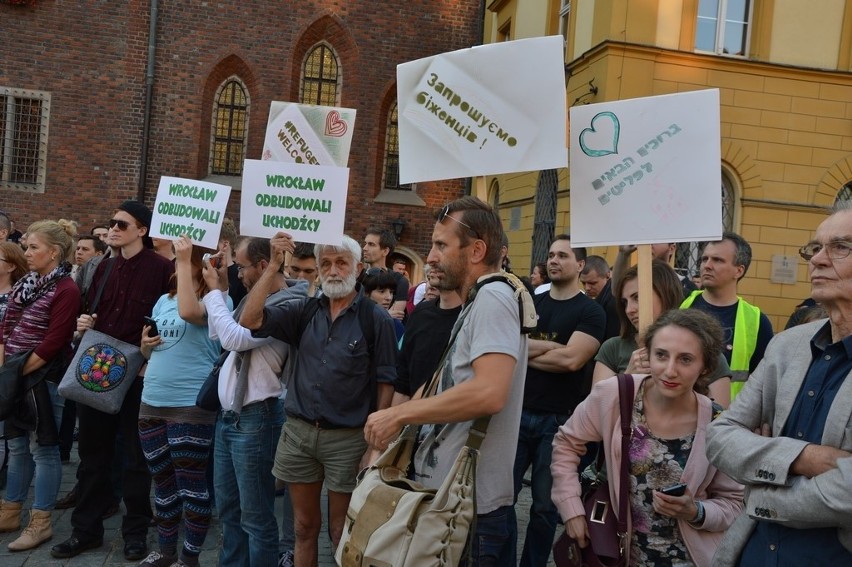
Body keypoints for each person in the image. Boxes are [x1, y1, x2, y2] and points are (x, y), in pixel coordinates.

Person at [365, 197, 529, 565]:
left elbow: (489, 392)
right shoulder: (478, 300)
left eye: (441, 245)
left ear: (477, 250)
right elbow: (449, 381)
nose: (432, 256)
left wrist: (400, 416)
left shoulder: (494, 297)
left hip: (471, 513)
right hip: (451, 502)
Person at [706, 205, 852, 565]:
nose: (817, 259)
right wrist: (801, 457)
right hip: (751, 551)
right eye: (814, 248)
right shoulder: (788, 346)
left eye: (840, 247)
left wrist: (762, 496)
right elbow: (720, 435)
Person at [240, 234, 398, 567]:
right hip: (298, 434)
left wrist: (375, 444)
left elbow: (386, 382)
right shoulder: (304, 310)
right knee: (303, 527)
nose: (333, 270)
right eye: (325, 263)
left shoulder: (375, 319)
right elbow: (250, 321)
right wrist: (272, 268)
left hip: (348, 439)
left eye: (341, 262)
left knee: (342, 531)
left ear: (357, 267)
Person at [551, 309, 744, 567]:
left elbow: (735, 503)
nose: (670, 370)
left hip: (692, 558)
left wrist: (696, 511)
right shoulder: (616, 395)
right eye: (661, 355)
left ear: (705, 367)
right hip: (620, 554)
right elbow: (566, 444)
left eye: (685, 359)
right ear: (648, 354)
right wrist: (571, 508)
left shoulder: (718, 423)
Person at [52, 201, 174, 561]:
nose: (114, 228)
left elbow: (169, 320)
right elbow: (95, 309)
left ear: (142, 230)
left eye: (122, 224)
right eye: (112, 223)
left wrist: (150, 351)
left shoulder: (162, 269)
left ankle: (135, 533)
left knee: (136, 459)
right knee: (92, 455)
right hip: (100, 370)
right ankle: (84, 531)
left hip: (138, 373)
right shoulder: (103, 267)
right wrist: (85, 324)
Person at [203, 236, 307, 567]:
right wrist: (219, 290)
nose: (239, 273)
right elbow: (217, 334)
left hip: (256, 419)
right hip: (229, 417)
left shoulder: (288, 303)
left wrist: (211, 293)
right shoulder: (252, 297)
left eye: (242, 266)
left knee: (256, 517)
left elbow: (235, 337)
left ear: (263, 266)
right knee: (229, 511)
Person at [135, 236, 229, 567]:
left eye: (184, 259)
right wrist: (145, 345)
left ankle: (189, 558)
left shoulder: (219, 300)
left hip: (190, 404)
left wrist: (185, 258)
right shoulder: (164, 299)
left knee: (190, 484)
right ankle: (165, 550)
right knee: (162, 481)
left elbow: (190, 312)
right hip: (152, 400)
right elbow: (149, 348)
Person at [514, 235, 606, 567]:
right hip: (517, 413)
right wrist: (553, 349)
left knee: (543, 506)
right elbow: (512, 348)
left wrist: (526, 351)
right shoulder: (531, 305)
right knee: (502, 499)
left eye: (563, 255)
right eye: (551, 254)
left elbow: (572, 361)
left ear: (580, 265)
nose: (554, 260)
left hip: (557, 422)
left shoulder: (591, 312)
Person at [0, 220, 81, 551]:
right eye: (27, 245)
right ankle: (10, 510)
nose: (26, 252)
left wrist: (13, 374)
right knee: (17, 446)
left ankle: (41, 522)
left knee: (43, 449)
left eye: (34, 247)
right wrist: (7, 368)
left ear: (54, 252)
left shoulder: (66, 289)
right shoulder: (25, 284)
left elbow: (53, 342)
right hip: (16, 375)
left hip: (44, 379)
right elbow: (5, 327)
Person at [593, 260, 734, 408]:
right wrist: (626, 377)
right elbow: (595, 410)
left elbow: (718, 422)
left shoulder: (704, 350)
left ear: (665, 293)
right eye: (625, 302)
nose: (629, 309)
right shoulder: (613, 348)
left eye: (637, 297)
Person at [680, 232, 774, 401]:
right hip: (679, 411)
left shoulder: (757, 321)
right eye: (704, 259)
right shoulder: (681, 304)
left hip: (726, 418)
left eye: (717, 260)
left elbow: (763, 384)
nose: (707, 266)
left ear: (739, 271)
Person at [392, 265, 463, 405]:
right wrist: (395, 421)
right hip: (411, 419)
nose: (431, 258)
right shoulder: (420, 313)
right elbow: (403, 382)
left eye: (442, 247)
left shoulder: (474, 316)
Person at [613, 242, 698, 296]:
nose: (649, 245)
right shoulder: (637, 277)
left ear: (671, 248)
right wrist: (623, 254)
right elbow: (617, 292)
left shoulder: (687, 287)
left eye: (655, 241)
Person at [361, 227, 408, 320]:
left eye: (371, 244)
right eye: (365, 243)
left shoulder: (399, 280)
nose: (365, 248)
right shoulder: (359, 277)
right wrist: (386, 314)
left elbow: (396, 317)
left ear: (385, 251)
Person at [580, 254, 619, 341]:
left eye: (592, 283)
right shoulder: (600, 298)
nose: (587, 288)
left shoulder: (612, 302)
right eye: (583, 283)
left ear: (607, 276)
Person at [362, 269, 405, 340]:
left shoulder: (395, 325)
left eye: (391, 292)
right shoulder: (352, 320)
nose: (389, 298)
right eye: (382, 292)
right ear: (366, 294)